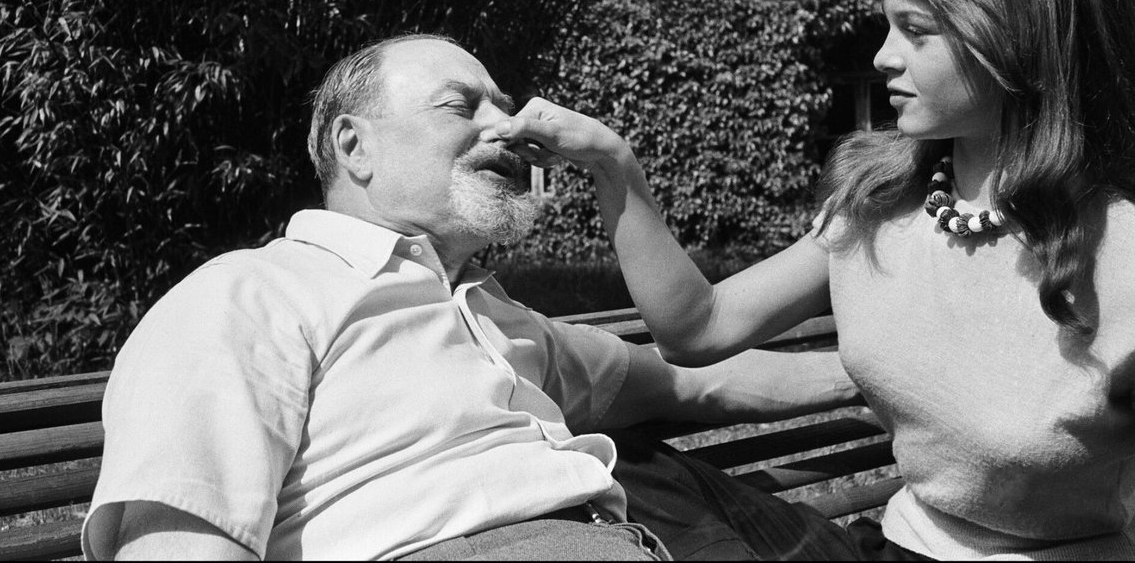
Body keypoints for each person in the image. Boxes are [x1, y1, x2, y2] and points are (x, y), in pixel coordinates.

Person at [495, 0, 1135, 560]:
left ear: (1023, 37)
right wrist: (611, 164)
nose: (882, 56)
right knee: (605, 468)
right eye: (886, 24)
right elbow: (696, 329)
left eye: (915, 29)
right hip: (884, 547)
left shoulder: (1122, 255)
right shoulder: (879, 205)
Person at [81, 34, 863, 561]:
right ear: (354, 146)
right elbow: (180, 538)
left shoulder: (495, 319)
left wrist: (889, 367)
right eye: (464, 106)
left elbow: (698, 380)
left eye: (505, 103)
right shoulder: (247, 295)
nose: (513, 128)